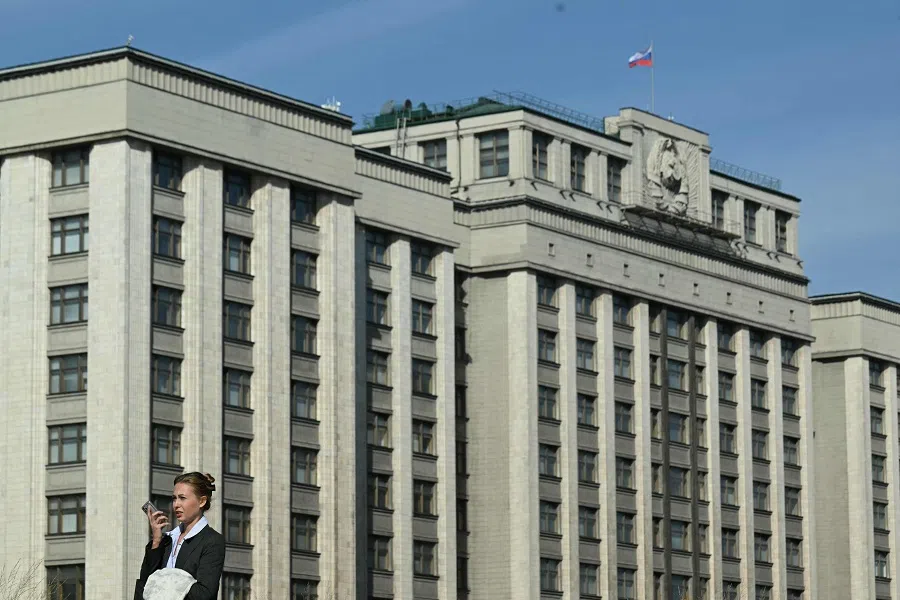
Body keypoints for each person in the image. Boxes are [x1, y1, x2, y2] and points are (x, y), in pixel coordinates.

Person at [134, 472, 226, 600]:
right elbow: (143, 586)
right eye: (174, 498)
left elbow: (204, 594)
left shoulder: (212, 540)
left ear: (202, 501)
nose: (176, 504)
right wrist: (156, 541)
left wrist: (166, 580)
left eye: (182, 498)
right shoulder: (166, 540)